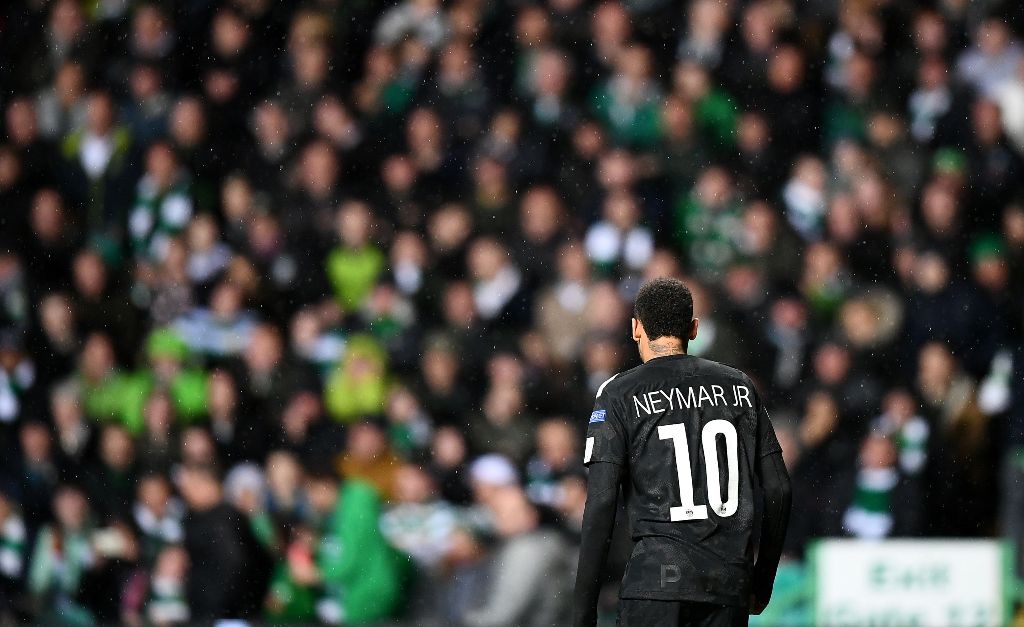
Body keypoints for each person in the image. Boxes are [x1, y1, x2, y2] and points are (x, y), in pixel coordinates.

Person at [572, 277, 792, 627]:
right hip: (727, 587)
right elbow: (779, 488)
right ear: (693, 329)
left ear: (635, 328)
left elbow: (601, 501)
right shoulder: (740, 387)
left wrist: (582, 610)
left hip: (656, 585)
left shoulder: (619, 393)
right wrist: (760, 582)